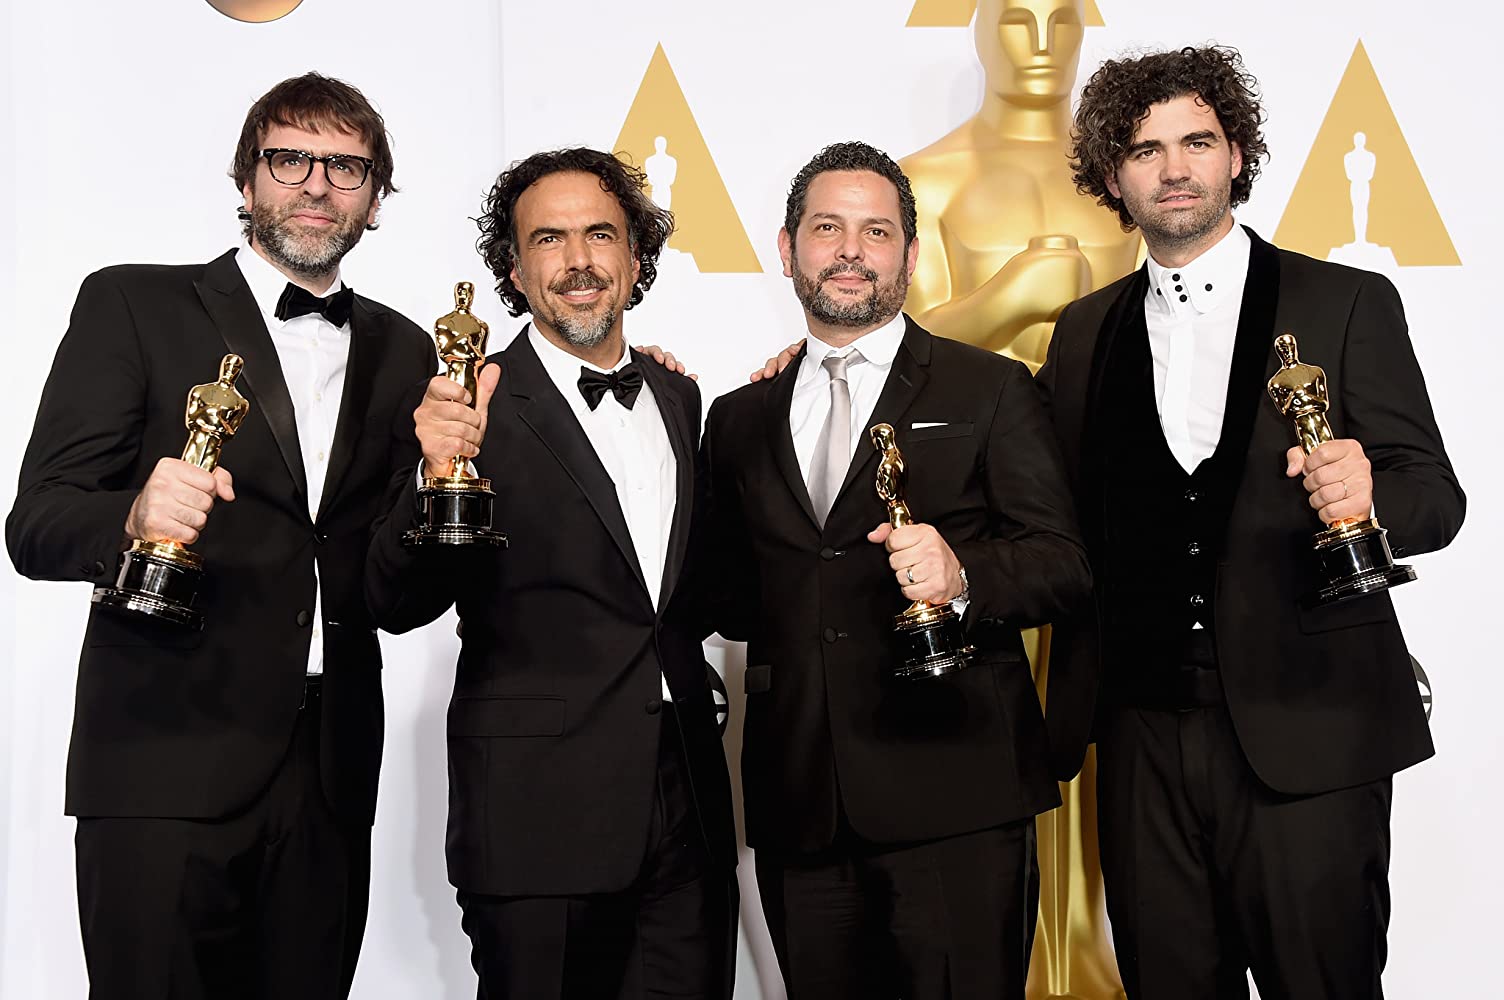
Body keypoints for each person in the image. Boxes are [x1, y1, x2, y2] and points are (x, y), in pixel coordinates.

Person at [1038, 45, 1465, 999]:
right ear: (1113, 177)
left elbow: (1436, 496)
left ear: (1236, 154)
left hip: (1312, 735)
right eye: (1144, 150)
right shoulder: (1083, 332)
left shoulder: (1345, 301)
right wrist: (817, 364)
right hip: (1140, 741)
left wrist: (1370, 495)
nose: (1174, 168)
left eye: (1197, 141)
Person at [5, 72, 433, 999]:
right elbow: (35, 523)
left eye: (347, 167)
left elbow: (392, 587)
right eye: (290, 159)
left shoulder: (408, 350)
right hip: (161, 762)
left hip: (329, 775)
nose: (317, 184)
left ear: (375, 200)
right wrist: (130, 513)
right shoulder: (133, 304)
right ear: (246, 180)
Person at [699, 141, 1090, 999]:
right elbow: (726, 599)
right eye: (827, 228)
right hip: (802, 802)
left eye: (875, 231)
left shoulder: (991, 388)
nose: (850, 250)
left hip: (958, 797)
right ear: (787, 248)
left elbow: (1064, 565)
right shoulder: (736, 417)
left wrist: (962, 575)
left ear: (911, 256)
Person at [364, 147, 738, 1000]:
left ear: (635, 257)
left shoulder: (678, 398)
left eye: (600, 235)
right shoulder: (467, 403)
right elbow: (392, 599)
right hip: (537, 821)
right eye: (548, 239)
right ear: (514, 269)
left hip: (686, 812)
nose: (578, 261)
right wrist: (432, 474)